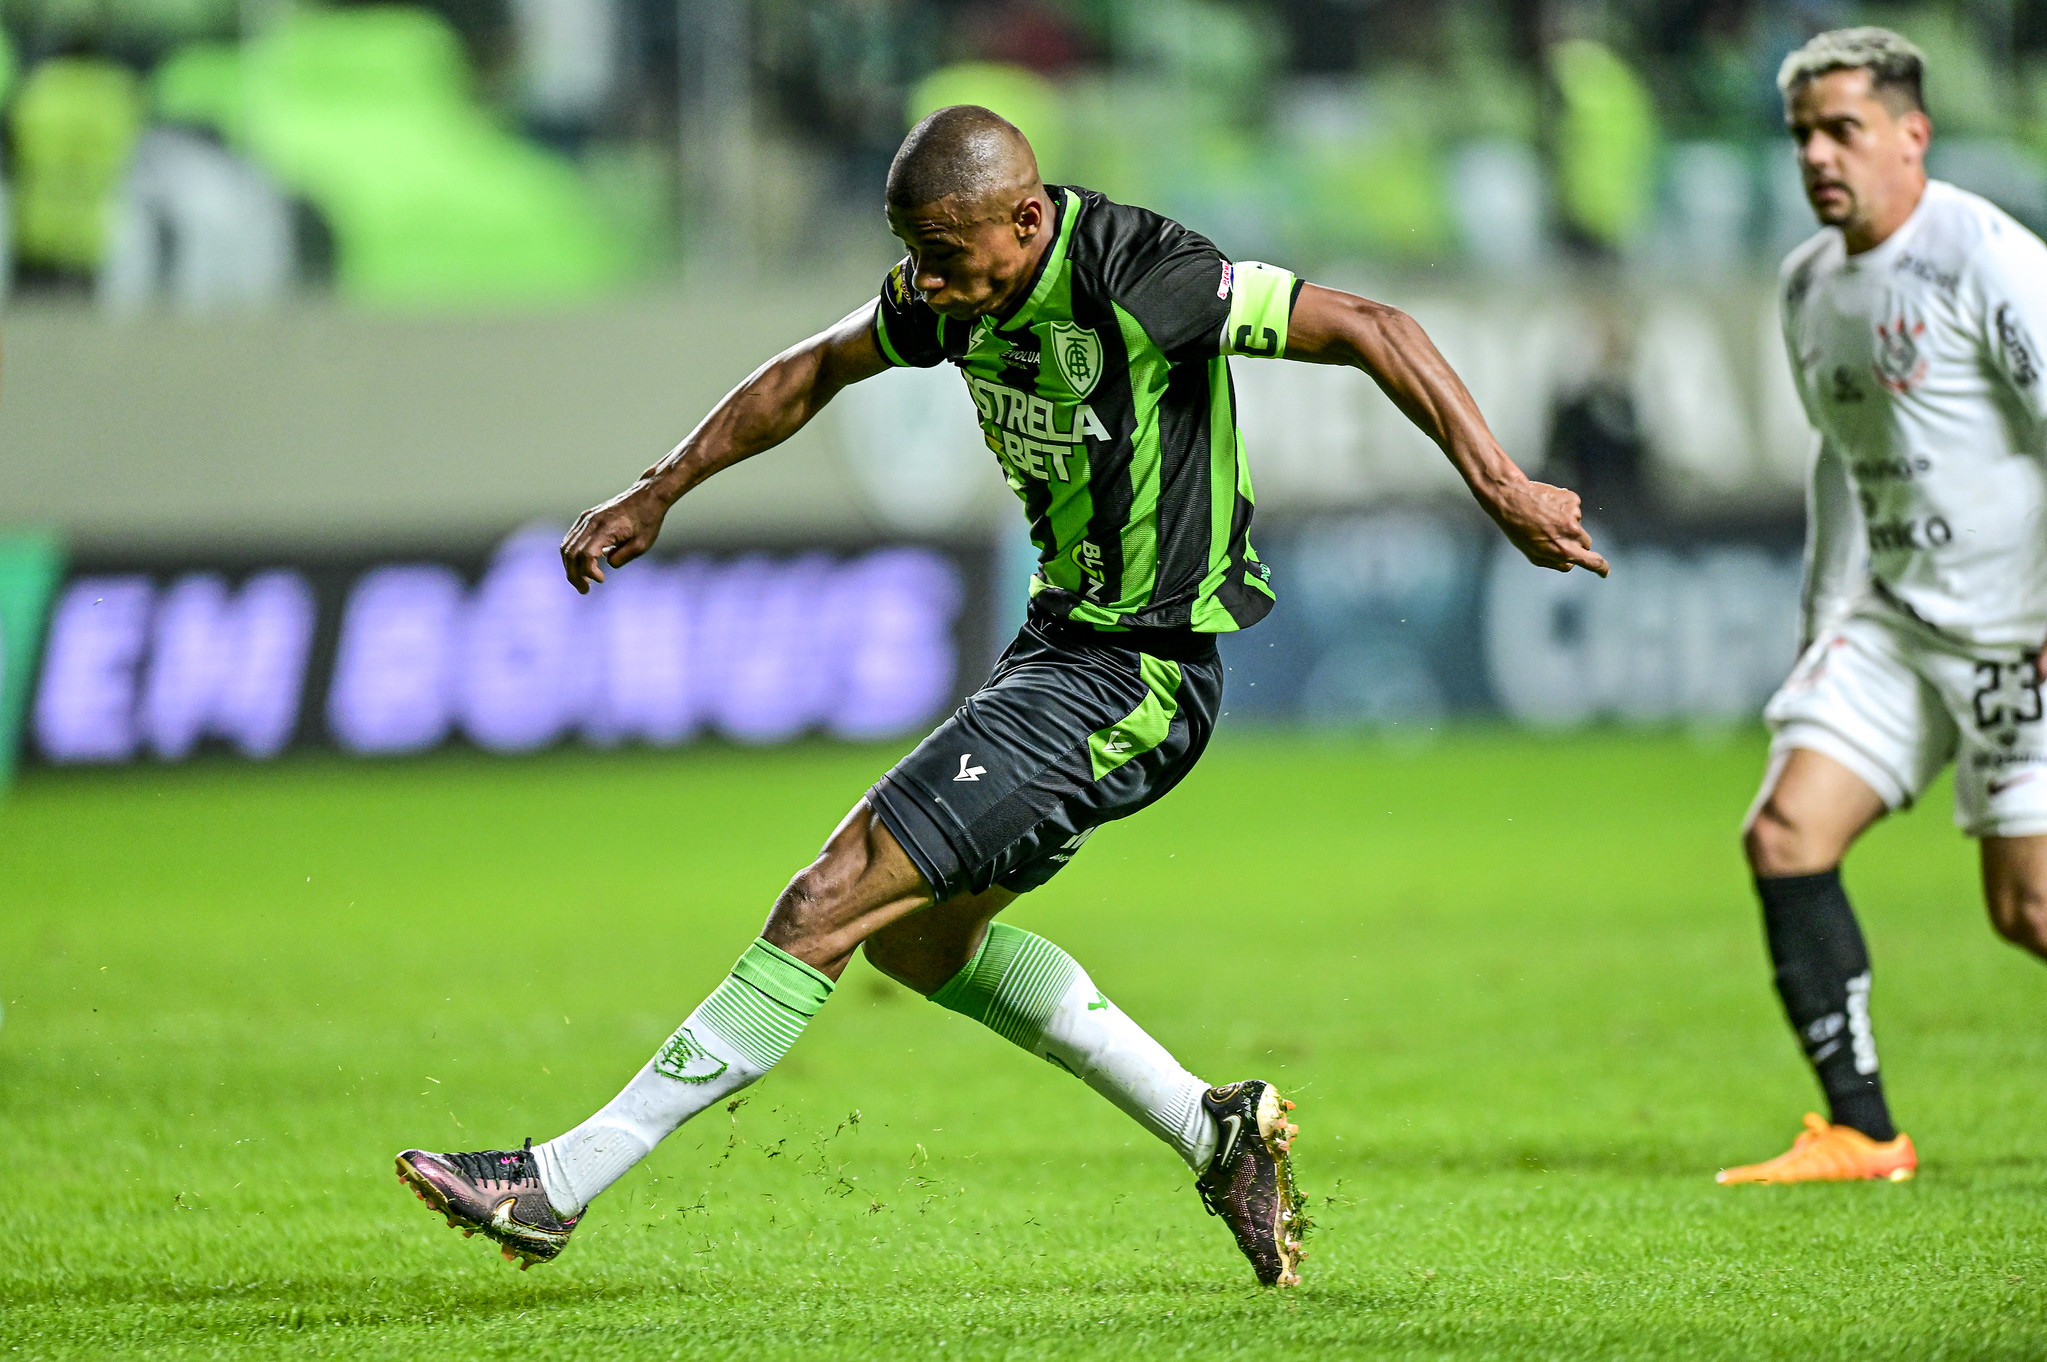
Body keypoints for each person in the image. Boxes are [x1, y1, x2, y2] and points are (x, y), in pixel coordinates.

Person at [394, 105, 1606, 1284]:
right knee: (921, 947)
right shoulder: (948, 291)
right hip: (1057, 652)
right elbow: (813, 369)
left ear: (1025, 219)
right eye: (910, 256)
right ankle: (1211, 1127)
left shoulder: (1144, 276)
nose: (923, 284)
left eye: (945, 257)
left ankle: (556, 1182)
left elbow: (1372, 324)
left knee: (826, 898)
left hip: (1136, 669)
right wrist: (660, 488)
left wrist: (1499, 485)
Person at [1720, 29, 2047, 1185]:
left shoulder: (1987, 259)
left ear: (1911, 136)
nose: (1817, 154)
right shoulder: (1808, 282)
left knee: (2028, 912)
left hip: (2021, 631)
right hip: (1895, 623)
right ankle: (1862, 1132)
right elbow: (1841, 463)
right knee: (1783, 833)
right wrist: (1822, 627)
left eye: (1841, 129)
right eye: (1802, 132)